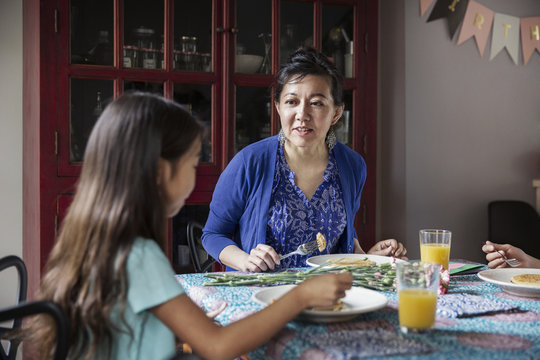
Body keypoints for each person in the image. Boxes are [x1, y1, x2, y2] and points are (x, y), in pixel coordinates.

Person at [26, 93, 353, 360]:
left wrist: (179, 333)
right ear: (159, 171)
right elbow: (218, 347)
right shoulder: (139, 255)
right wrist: (300, 297)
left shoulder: (99, 240)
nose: (196, 175)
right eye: (193, 162)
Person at [202, 47, 407, 272]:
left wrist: (368, 258)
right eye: (292, 102)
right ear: (278, 107)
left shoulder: (352, 166)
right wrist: (245, 260)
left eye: (316, 103)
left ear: (336, 113)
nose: (302, 114)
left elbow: (343, 239)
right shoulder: (250, 162)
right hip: (264, 296)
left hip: (329, 296)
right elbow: (213, 235)